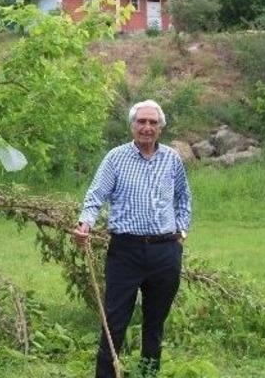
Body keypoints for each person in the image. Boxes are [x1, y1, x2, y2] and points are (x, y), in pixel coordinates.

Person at [74, 99, 192, 378]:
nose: (147, 128)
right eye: (142, 122)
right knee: (114, 322)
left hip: (165, 251)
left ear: (160, 127)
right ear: (132, 126)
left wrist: (182, 230)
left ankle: (147, 374)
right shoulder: (115, 158)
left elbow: (184, 198)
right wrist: (84, 224)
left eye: (153, 122)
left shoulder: (172, 159)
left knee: (155, 324)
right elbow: (95, 196)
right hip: (125, 252)